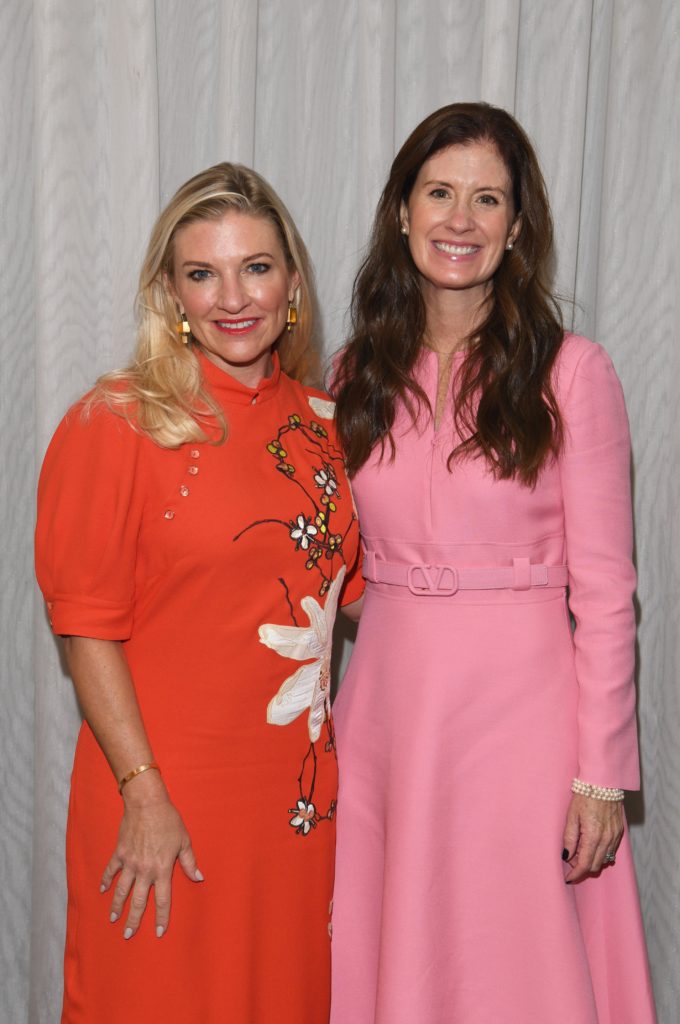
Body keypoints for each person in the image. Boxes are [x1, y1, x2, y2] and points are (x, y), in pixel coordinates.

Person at [329, 103, 656, 1023]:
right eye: (439, 193)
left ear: (517, 228)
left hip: (524, 721)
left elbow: (606, 592)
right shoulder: (353, 375)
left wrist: (600, 772)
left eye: (487, 199)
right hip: (388, 713)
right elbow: (330, 565)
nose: (459, 219)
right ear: (402, 211)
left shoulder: (571, 373)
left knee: (516, 964)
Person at [35, 162, 362, 1024]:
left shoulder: (326, 428)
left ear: (291, 281)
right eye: (202, 272)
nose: (233, 297)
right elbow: (86, 631)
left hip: (294, 809)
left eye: (256, 266)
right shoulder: (116, 423)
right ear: (170, 292)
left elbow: (369, 598)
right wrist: (144, 794)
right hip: (160, 796)